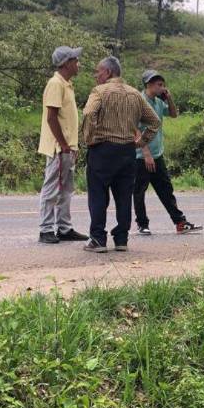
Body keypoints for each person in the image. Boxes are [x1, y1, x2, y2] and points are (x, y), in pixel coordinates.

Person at [81, 57, 160, 253]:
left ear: (107, 73)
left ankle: (98, 238)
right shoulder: (135, 94)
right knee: (124, 196)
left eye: (98, 72)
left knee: (98, 193)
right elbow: (154, 121)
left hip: (103, 150)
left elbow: (89, 113)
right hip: (127, 151)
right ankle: (121, 239)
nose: (96, 75)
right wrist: (141, 142)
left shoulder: (99, 92)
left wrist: (88, 138)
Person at [134, 70, 201, 235]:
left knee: (166, 189)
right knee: (139, 191)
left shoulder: (157, 102)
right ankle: (142, 224)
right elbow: (134, 128)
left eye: (163, 84)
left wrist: (168, 97)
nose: (162, 87)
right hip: (141, 156)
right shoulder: (140, 101)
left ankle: (180, 222)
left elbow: (173, 114)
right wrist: (146, 152)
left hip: (157, 154)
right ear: (149, 84)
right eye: (159, 84)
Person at [37, 46, 89, 244]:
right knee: (52, 188)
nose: (78, 63)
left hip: (68, 147)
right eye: (75, 60)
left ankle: (64, 228)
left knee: (66, 189)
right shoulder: (56, 84)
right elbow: (51, 118)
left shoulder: (66, 84)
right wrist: (64, 144)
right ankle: (46, 229)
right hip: (60, 148)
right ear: (66, 63)